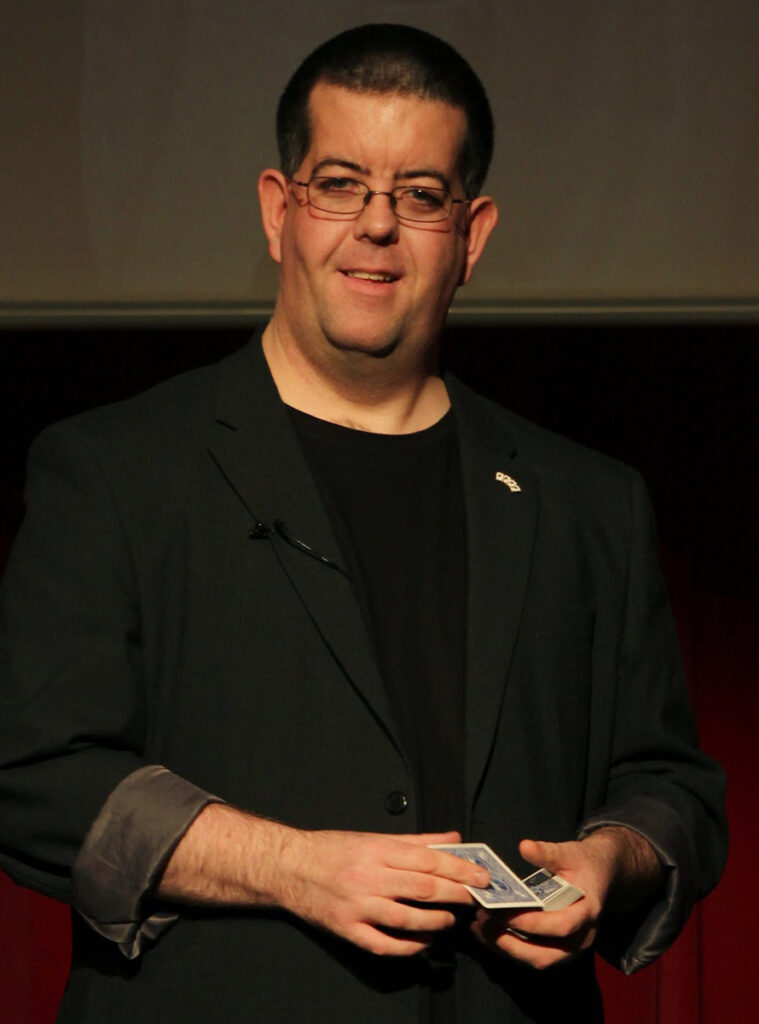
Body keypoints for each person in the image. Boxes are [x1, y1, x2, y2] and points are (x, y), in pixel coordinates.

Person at [0, 23, 727, 1024]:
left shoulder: (588, 502)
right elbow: (33, 776)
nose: (375, 226)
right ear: (277, 210)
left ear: (471, 236)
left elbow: (671, 787)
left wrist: (613, 858)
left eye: (420, 196)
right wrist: (289, 865)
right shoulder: (118, 470)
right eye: (339, 184)